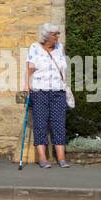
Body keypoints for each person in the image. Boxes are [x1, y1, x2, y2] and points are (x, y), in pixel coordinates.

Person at [26, 23, 70, 168]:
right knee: (40, 124)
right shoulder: (34, 48)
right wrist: (27, 85)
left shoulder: (60, 48)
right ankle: (43, 158)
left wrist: (65, 86)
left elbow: (63, 68)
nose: (58, 36)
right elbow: (30, 69)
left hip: (58, 90)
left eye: (58, 33)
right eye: (55, 34)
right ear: (46, 35)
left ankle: (61, 158)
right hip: (40, 91)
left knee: (59, 124)